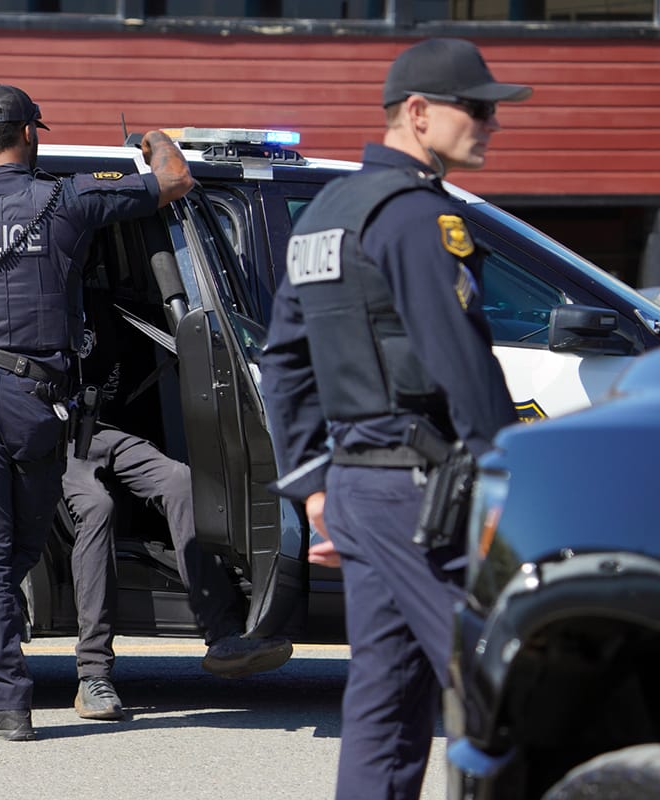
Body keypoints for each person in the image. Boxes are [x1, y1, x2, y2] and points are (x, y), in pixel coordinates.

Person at [257, 38, 529, 798]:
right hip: (423, 496)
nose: (489, 123)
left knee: (387, 700)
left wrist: (314, 489)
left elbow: (285, 361)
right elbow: (461, 363)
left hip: (358, 489)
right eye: (475, 108)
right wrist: (518, 476)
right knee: (504, 671)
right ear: (418, 113)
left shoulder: (325, 214)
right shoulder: (416, 218)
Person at [0, 83, 194, 741]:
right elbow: (175, 179)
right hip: (33, 397)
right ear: (30, 134)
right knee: (8, 549)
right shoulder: (70, 197)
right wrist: (151, 140)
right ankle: (8, 705)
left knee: (6, 548)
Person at [63, 290, 293, 722]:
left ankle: (222, 634)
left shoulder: (106, 303)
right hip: (57, 438)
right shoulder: (35, 298)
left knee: (181, 482)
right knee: (97, 508)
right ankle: (92, 674)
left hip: (102, 429)